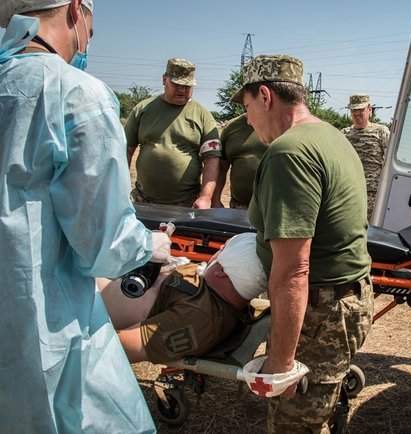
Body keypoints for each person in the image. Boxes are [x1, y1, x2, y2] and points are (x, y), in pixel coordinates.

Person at [0, 1, 172, 433]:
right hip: (43, 328)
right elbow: (103, 245)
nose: (91, 36)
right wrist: (150, 245)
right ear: (77, 10)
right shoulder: (77, 95)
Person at [232, 54, 374, 433]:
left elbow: (294, 270)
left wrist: (281, 363)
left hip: (322, 311)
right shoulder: (330, 135)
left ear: (265, 96)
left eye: (247, 107)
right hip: (343, 300)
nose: (247, 119)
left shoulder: (289, 152)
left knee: (294, 426)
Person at [100, 232, 268, 363]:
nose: (216, 253)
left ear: (220, 273)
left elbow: (119, 348)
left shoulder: (199, 319)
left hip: (91, 301)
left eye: (221, 251)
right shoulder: (220, 293)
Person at [125, 58, 221, 208]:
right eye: (177, 85)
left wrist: (205, 197)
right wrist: (121, 188)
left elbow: (212, 159)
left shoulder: (203, 116)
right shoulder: (143, 110)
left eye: (187, 86)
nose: (182, 90)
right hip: (143, 201)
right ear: (164, 80)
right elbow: (126, 151)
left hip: (186, 204)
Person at [341, 94, 390, 220]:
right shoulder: (344, 134)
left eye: (360, 110)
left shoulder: (381, 131)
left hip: (372, 193)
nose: (357, 114)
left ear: (369, 109)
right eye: (353, 111)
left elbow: (389, 162)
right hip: (348, 192)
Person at [212, 113, 268, 208]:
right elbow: (221, 168)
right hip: (240, 206)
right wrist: (215, 200)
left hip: (274, 208)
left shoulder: (282, 123)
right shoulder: (232, 127)